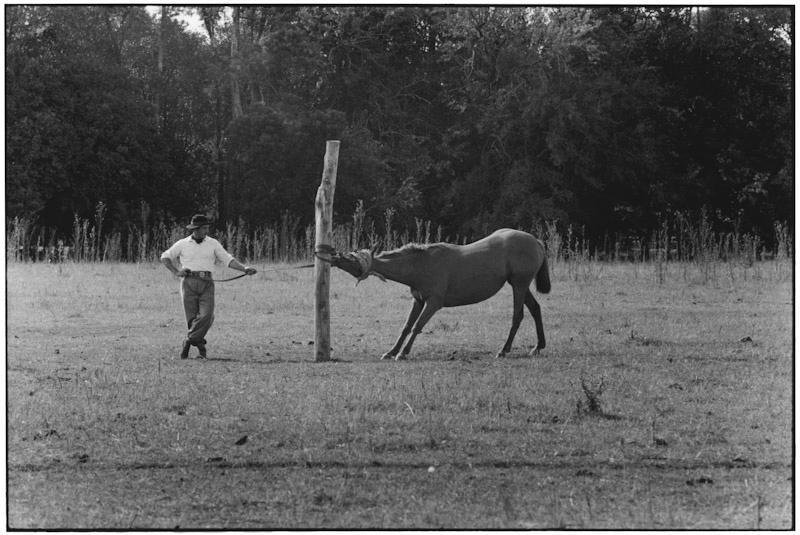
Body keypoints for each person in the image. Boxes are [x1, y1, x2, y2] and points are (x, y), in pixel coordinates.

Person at [160, 214, 257, 359]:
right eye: (204, 228)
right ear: (196, 229)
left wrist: (244, 269)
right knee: (192, 319)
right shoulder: (182, 243)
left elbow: (227, 259)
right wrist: (176, 272)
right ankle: (199, 344)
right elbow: (165, 257)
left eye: (206, 228)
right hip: (188, 283)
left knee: (207, 315)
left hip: (207, 284)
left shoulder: (213, 243)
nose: (206, 230)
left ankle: (189, 340)